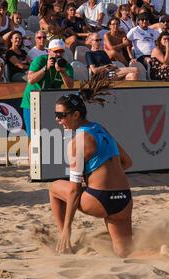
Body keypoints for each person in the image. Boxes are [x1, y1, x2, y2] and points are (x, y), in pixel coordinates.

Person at [49, 72, 133, 257]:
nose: (57, 119)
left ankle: (64, 242)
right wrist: (103, 176)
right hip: (124, 200)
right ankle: (163, 253)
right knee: (125, 253)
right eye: (56, 115)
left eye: (61, 115)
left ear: (76, 114)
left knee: (54, 188)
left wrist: (67, 229)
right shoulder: (101, 129)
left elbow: (74, 191)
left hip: (99, 200)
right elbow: (127, 162)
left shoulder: (77, 142)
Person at [20, 38, 74, 141]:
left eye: (61, 51)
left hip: (50, 101)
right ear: (49, 51)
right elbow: (30, 80)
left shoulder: (65, 65)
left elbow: (70, 85)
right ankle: (33, 156)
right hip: (32, 102)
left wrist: (63, 72)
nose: (58, 54)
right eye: (55, 51)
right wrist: (45, 68)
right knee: (33, 135)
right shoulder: (40, 60)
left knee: (50, 131)